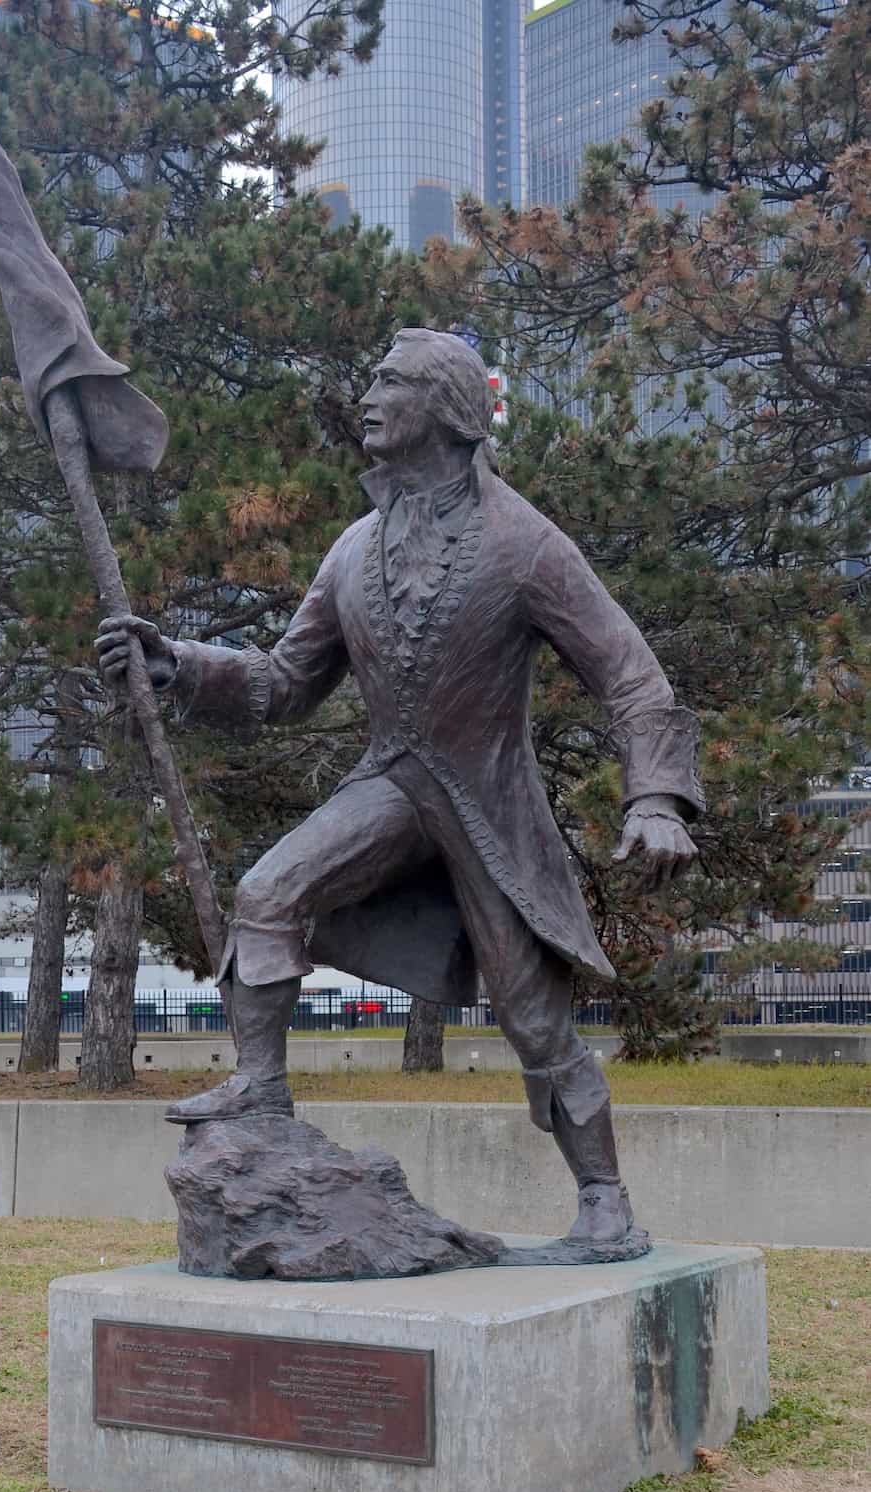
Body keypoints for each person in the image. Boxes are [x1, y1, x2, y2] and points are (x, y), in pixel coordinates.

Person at [97, 329, 701, 1246]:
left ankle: (603, 1201)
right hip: (389, 785)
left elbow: (628, 674)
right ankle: (260, 1084)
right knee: (267, 892)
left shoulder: (524, 545)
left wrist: (654, 800)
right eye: (371, 377)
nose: (368, 395)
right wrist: (177, 662)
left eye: (391, 381)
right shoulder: (352, 551)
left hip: (487, 807)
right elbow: (281, 684)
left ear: (449, 410)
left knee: (533, 1022)